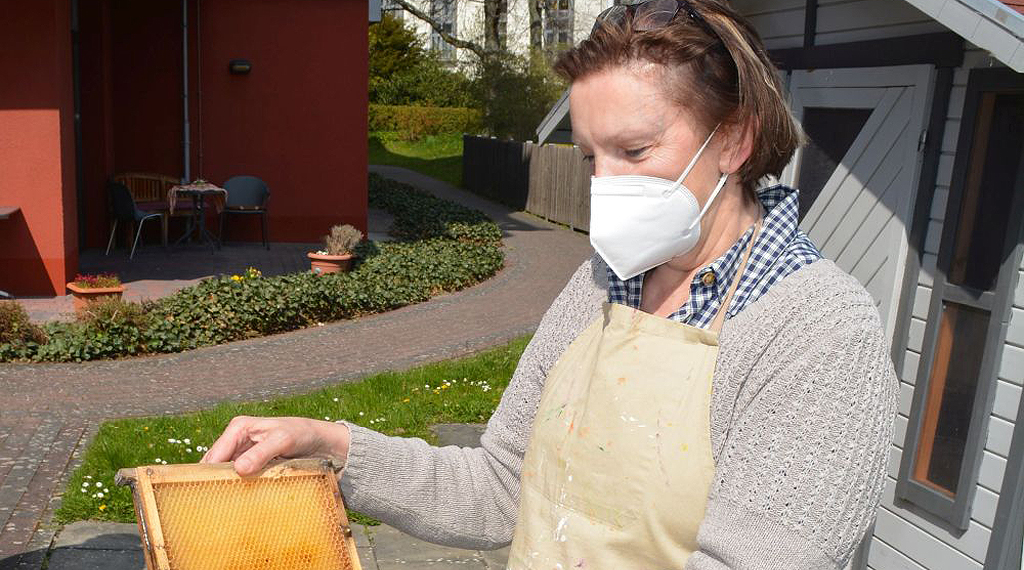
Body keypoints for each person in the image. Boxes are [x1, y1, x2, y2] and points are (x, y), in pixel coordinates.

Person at [202, 1, 899, 567]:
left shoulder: (818, 332)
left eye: (635, 150)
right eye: (592, 156)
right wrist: (332, 445)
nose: (606, 185)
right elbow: (502, 487)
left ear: (735, 140)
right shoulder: (600, 284)